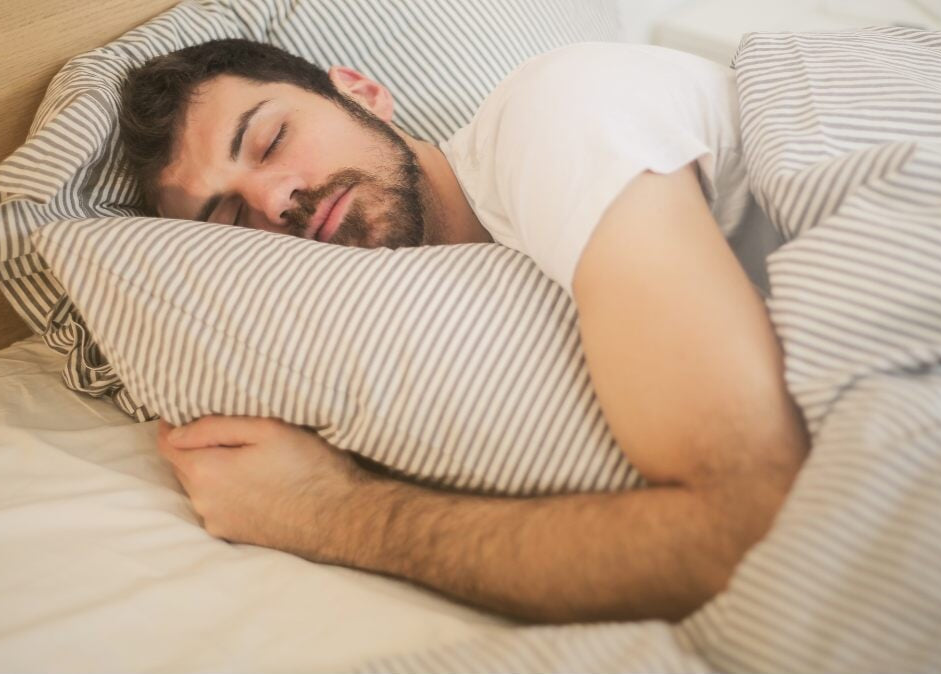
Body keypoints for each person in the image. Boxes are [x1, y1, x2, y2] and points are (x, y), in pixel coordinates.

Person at [118, 38, 809, 623]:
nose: (273, 200)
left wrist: (327, 512)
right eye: (230, 219)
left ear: (361, 94)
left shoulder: (555, 119)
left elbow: (753, 530)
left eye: (271, 140)